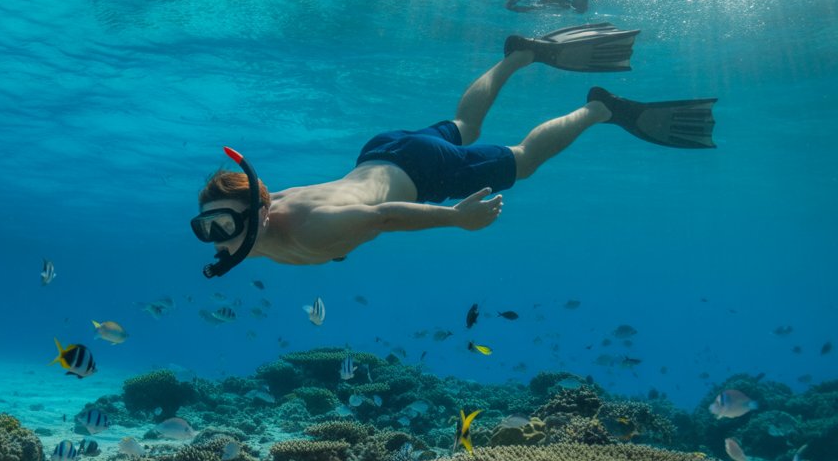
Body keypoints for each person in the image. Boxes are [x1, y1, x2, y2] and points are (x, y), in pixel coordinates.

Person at [191, 24, 717, 273]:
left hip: (423, 172)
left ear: (258, 216)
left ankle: (600, 108)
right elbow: (265, 197)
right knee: (465, 123)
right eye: (207, 228)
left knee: (524, 162)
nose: (216, 239)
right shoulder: (259, 223)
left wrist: (456, 219)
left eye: (222, 226)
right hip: (380, 151)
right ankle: (519, 55)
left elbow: (386, 216)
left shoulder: (311, 227)